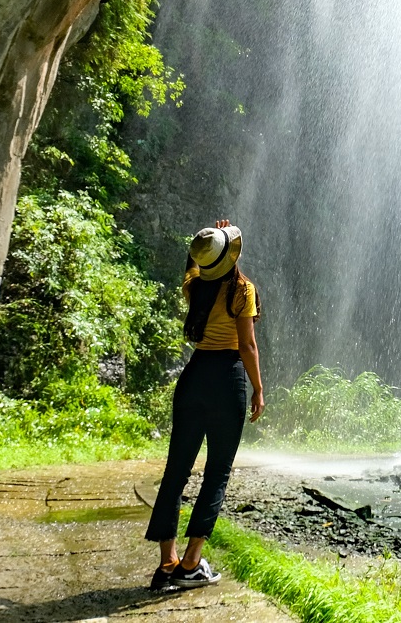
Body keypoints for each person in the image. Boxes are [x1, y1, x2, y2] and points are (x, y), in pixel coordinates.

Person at [145, 219, 265, 590]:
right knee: (217, 472)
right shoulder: (243, 289)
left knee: (176, 470)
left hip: (194, 376)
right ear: (232, 255)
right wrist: (258, 389)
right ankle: (193, 563)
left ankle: (168, 563)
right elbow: (247, 346)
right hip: (228, 379)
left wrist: (209, 241)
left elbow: (194, 263)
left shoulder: (192, 287)